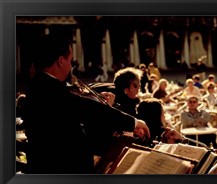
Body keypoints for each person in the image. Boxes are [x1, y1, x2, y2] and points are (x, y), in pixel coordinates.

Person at [23, 34, 149, 174]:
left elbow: (77, 114)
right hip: (64, 169)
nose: (71, 66)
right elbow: (89, 109)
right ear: (60, 61)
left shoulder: (39, 85)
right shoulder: (50, 89)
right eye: (70, 61)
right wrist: (134, 122)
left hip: (50, 163)